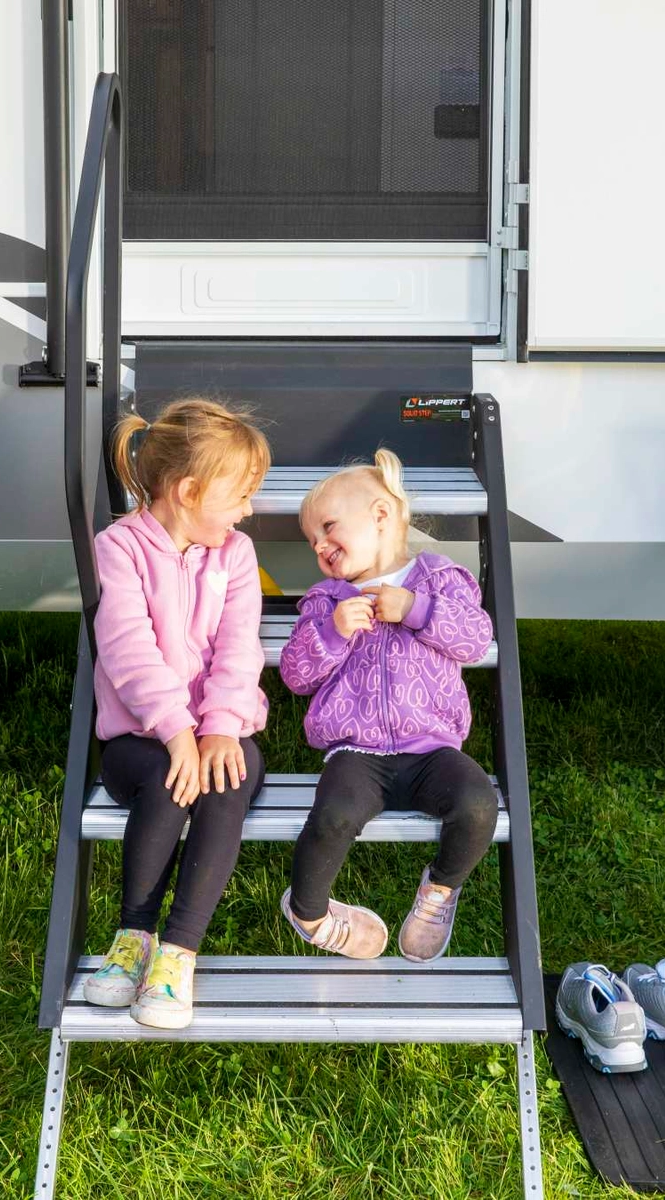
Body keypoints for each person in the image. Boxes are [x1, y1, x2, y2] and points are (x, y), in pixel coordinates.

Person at [83, 398, 271, 1028]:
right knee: (167, 788)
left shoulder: (235, 555)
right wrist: (177, 731)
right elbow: (127, 649)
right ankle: (133, 938)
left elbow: (241, 648)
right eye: (241, 495)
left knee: (227, 779)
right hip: (140, 736)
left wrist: (217, 727)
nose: (249, 510)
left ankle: (178, 954)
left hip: (221, 729)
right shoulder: (120, 548)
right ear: (189, 490)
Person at [279, 449, 498, 962]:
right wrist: (332, 635)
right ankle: (308, 913)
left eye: (330, 528)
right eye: (313, 542)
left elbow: (475, 639)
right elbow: (294, 674)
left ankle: (438, 892)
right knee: (332, 815)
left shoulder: (439, 579)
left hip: (432, 750)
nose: (321, 546)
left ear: (380, 516)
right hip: (357, 754)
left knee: (478, 803)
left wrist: (416, 610)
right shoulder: (326, 600)